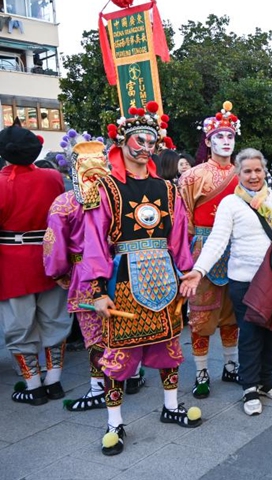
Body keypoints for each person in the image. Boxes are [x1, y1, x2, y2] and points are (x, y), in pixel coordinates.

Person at [80, 103, 201, 456]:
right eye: (139, 139)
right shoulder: (106, 188)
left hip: (163, 278)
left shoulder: (168, 189)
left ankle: (171, 404)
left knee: (170, 344)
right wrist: (99, 290)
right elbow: (95, 241)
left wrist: (187, 271)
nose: (146, 146)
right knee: (119, 351)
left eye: (151, 140)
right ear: (122, 140)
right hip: (123, 280)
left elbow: (178, 236)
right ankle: (114, 421)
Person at [180, 148, 272, 415]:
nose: (253, 176)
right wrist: (199, 270)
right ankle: (249, 387)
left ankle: (266, 381)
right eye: (247, 171)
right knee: (249, 335)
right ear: (239, 174)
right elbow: (217, 241)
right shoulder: (231, 204)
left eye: (257, 170)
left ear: (264, 171)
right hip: (244, 281)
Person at [47, 132, 145, 411]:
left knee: (95, 334)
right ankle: (133, 375)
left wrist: (59, 273)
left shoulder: (64, 203)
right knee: (127, 325)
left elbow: (55, 248)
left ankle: (98, 388)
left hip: (85, 272)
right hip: (124, 267)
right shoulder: (122, 195)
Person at [0, 118, 69, 406]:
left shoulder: (2, 183)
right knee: (55, 319)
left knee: (19, 324)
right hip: (49, 255)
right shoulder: (52, 177)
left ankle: (32, 384)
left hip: (11, 261)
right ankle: (54, 382)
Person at [177, 102, 241, 400]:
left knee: (233, 313)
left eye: (230, 136)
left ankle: (231, 364)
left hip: (238, 250)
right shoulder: (192, 176)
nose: (225, 142)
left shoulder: (245, 174)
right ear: (208, 140)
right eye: (220, 137)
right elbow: (183, 218)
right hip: (203, 248)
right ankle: (202, 371)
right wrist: (185, 257)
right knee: (201, 316)